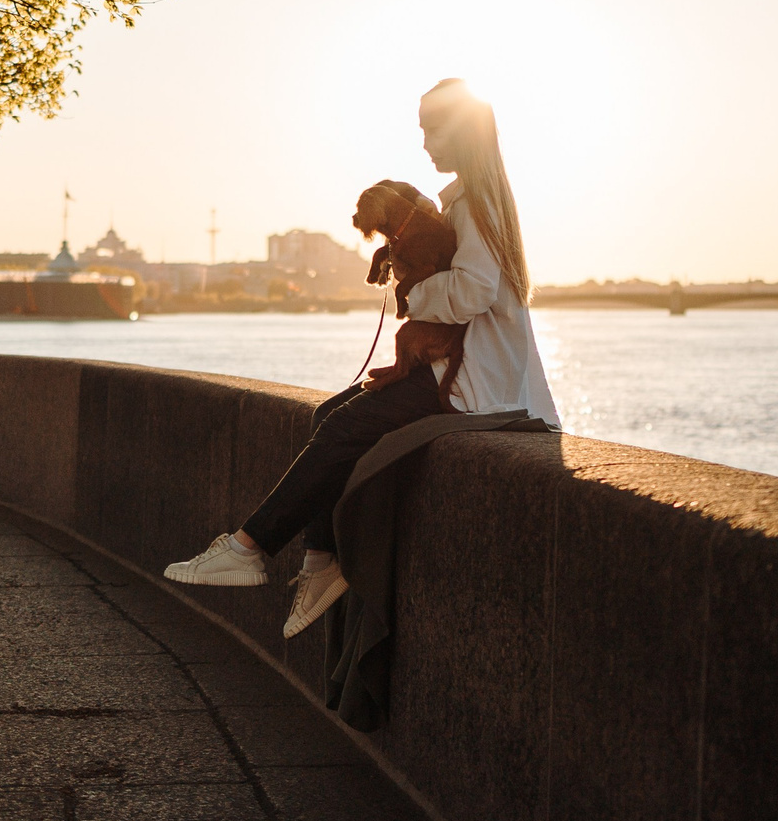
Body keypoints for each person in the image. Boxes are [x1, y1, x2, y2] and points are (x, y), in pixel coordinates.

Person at [164, 78, 561, 638]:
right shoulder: (472, 198)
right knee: (330, 416)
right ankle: (321, 565)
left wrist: (409, 294)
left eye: (433, 129)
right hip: (456, 367)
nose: (424, 142)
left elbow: (472, 291)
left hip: (471, 381)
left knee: (346, 425)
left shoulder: (476, 201)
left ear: (464, 131)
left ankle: (249, 547)